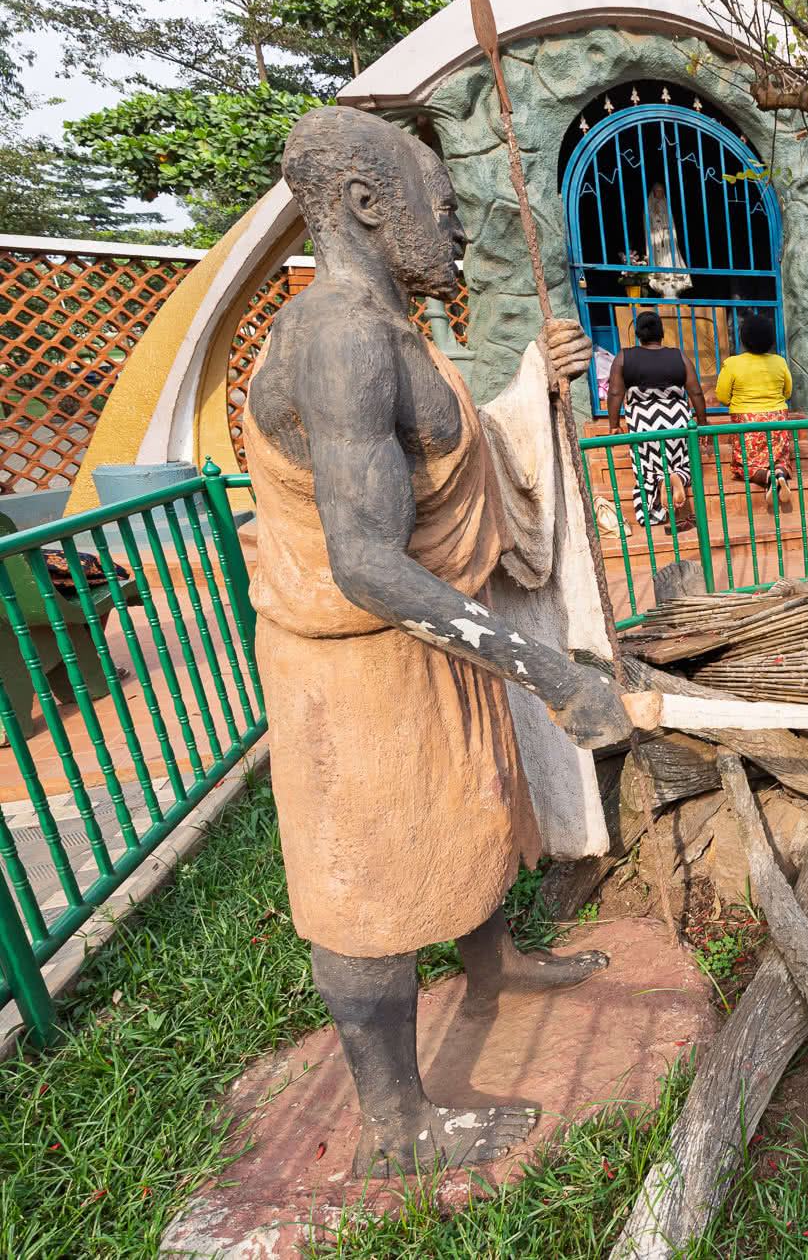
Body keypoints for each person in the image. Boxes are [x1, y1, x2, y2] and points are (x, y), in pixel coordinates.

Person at [243, 106, 633, 1176]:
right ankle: (396, 1120)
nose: (458, 232)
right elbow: (367, 561)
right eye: (443, 208)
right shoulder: (342, 341)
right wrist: (547, 666)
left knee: (470, 812)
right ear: (370, 204)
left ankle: (493, 959)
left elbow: (447, 456)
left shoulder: (388, 328)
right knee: (365, 882)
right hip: (359, 667)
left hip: (425, 646)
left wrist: (531, 381)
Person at [606, 310, 704, 529]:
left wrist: (613, 425)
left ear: (639, 335)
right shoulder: (679, 356)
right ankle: (676, 476)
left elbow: (614, 393)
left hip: (642, 421)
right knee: (681, 459)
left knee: (647, 462)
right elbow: (695, 391)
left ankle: (660, 480)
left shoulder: (624, 356)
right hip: (678, 418)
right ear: (662, 334)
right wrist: (703, 421)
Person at [715, 312, 796, 511]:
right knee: (780, 460)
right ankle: (778, 474)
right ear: (770, 339)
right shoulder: (779, 362)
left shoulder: (733, 363)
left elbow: (722, 397)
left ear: (743, 339)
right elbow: (788, 392)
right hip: (777, 419)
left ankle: (767, 477)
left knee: (746, 465)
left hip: (747, 421)